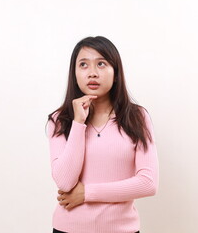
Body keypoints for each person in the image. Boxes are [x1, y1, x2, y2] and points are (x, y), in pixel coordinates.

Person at [46, 36, 159, 233]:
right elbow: (65, 181)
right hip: (68, 229)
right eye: (83, 65)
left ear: (115, 73)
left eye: (101, 64)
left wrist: (87, 193)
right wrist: (78, 123)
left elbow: (148, 183)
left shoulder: (137, 117)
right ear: (74, 73)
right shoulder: (59, 119)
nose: (92, 73)